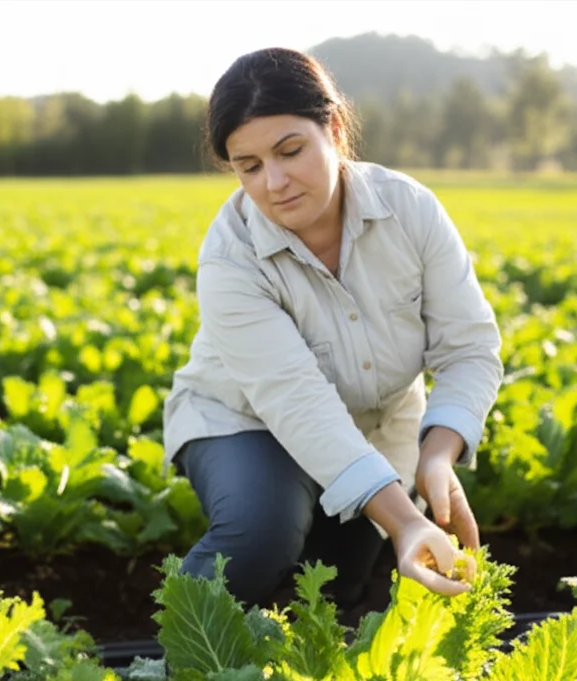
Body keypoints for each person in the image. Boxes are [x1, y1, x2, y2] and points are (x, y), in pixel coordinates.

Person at [161, 46, 503, 611]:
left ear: (334, 129)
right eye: (249, 167)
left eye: (290, 151)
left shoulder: (410, 211)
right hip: (242, 421)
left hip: (379, 421)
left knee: (334, 584)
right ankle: (178, 659)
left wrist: (437, 456)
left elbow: (470, 347)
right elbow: (296, 403)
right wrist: (404, 519)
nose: (274, 182)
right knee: (262, 531)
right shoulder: (230, 261)